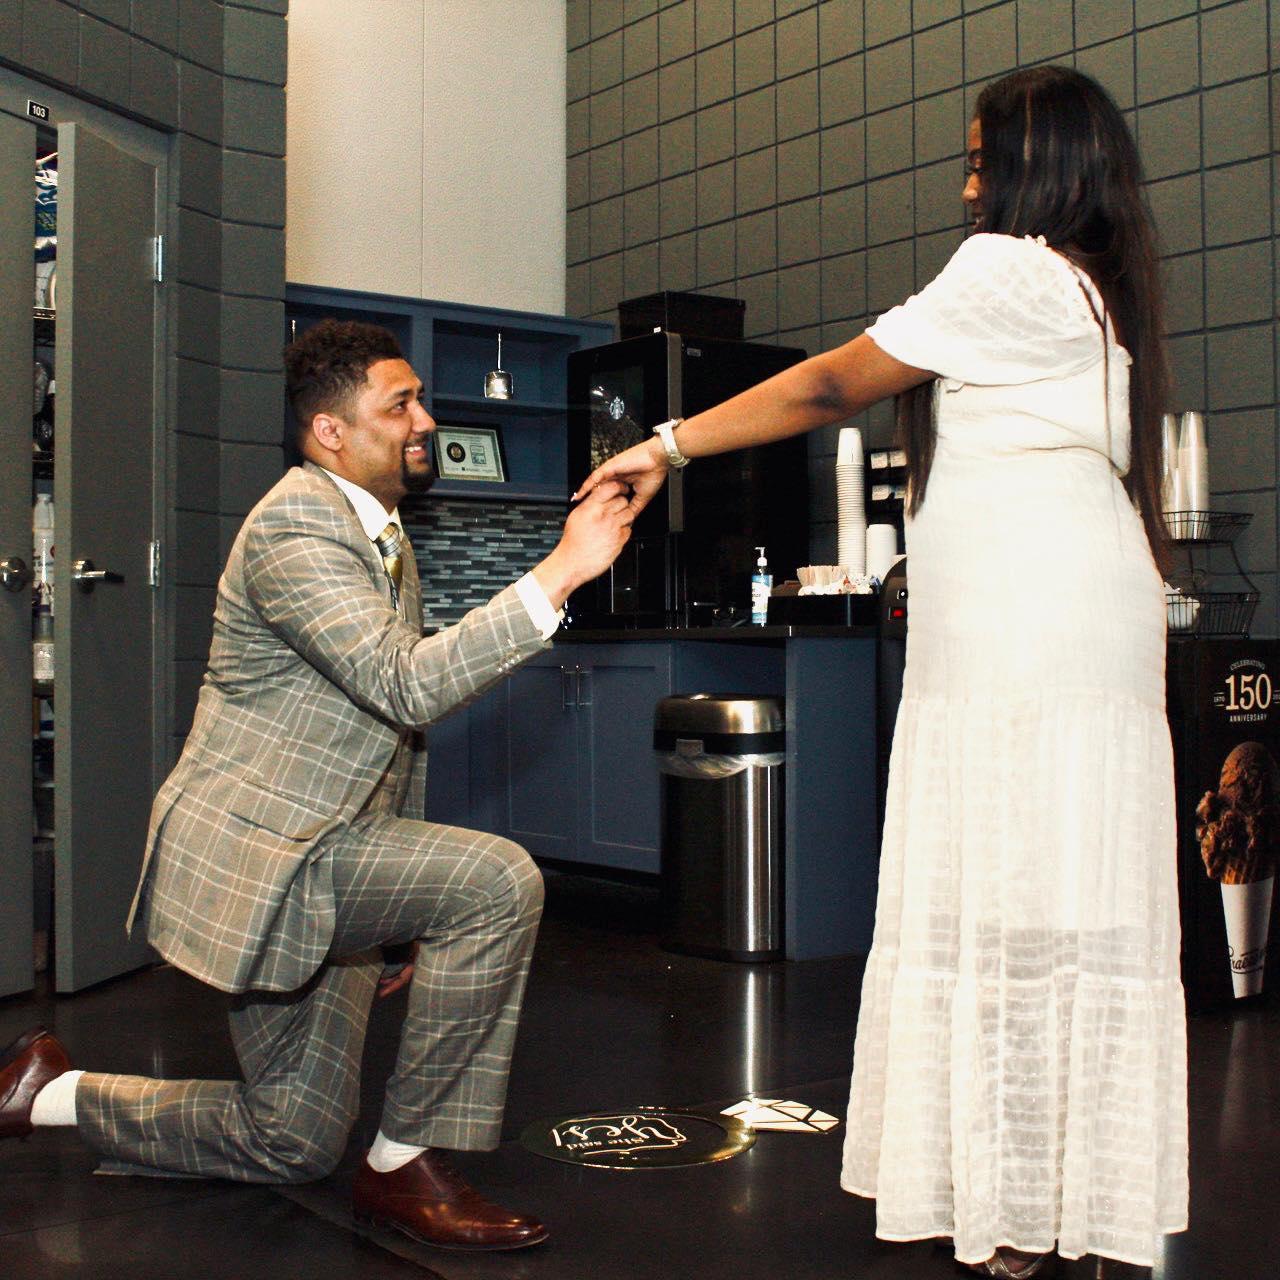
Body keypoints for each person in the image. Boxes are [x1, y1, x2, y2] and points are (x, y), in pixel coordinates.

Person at [577, 66, 1187, 1278]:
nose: (964, 181)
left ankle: (1012, 1200)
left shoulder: (1011, 267)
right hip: (1061, 614)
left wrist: (662, 442)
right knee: (1051, 893)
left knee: (1010, 888)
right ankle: (1045, 1188)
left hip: (1026, 630)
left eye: (980, 158)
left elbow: (827, 381)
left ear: (1037, 166)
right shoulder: (1088, 285)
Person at [0, 318, 634, 1252]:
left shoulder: (380, 537)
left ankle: (46, 1095)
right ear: (330, 431)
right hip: (267, 862)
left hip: (331, 852)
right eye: (401, 403)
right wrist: (562, 571)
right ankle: (402, 1168)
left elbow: (395, 730)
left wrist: (408, 910)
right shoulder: (296, 524)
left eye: (420, 397)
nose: (426, 419)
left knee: (290, 1139)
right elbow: (406, 681)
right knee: (499, 880)